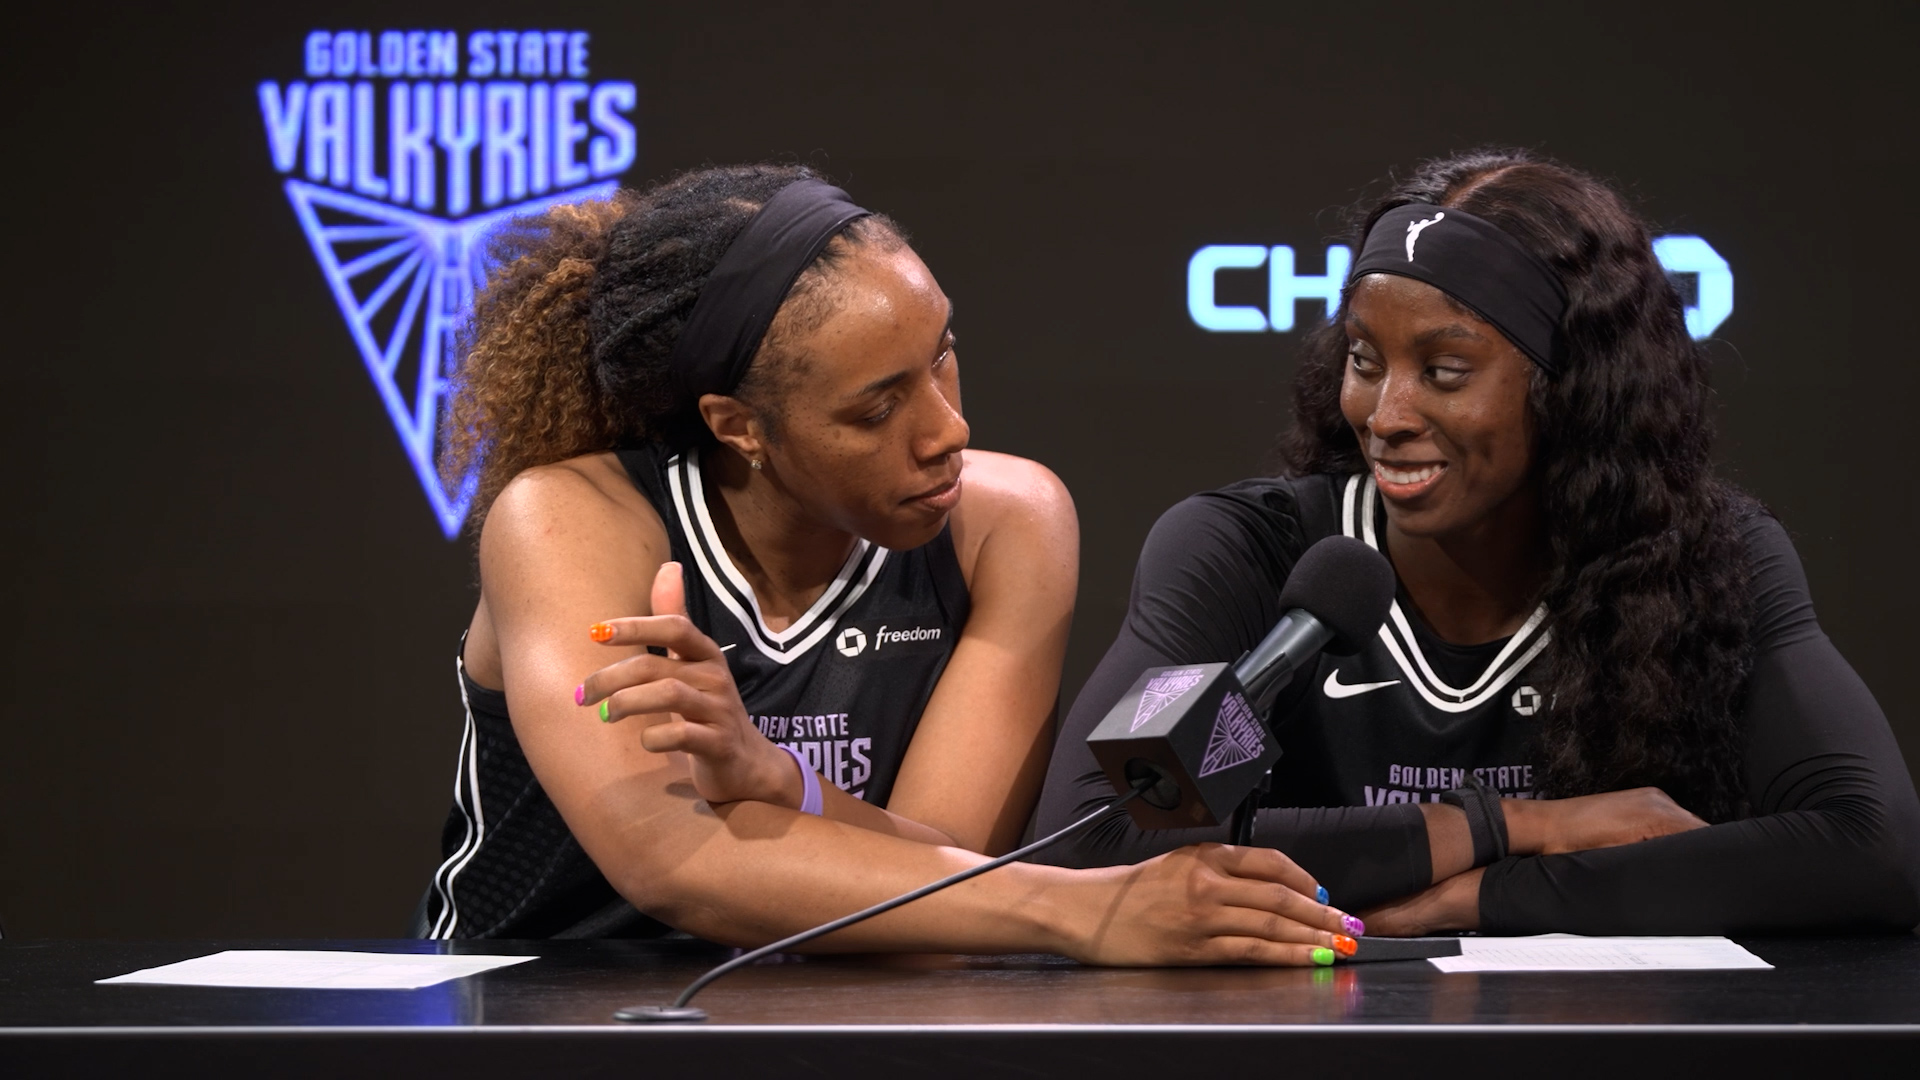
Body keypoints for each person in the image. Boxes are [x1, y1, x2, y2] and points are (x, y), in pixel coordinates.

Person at [413, 164, 1358, 965]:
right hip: (533, 1016)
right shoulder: (571, 519)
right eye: (877, 410)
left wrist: (776, 780)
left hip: (833, 1018)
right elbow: (672, 862)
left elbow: (943, 879)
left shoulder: (1005, 521)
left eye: (944, 356)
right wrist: (1097, 909)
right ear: (737, 427)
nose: (950, 429)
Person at [1037, 150, 1920, 935]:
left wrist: (1486, 899)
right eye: (1365, 358)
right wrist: (1511, 827)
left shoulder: (1705, 557)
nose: (1386, 417)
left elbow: (1872, 846)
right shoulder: (1250, 551)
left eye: (1445, 372)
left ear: (1571, 390)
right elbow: (1092, 843)